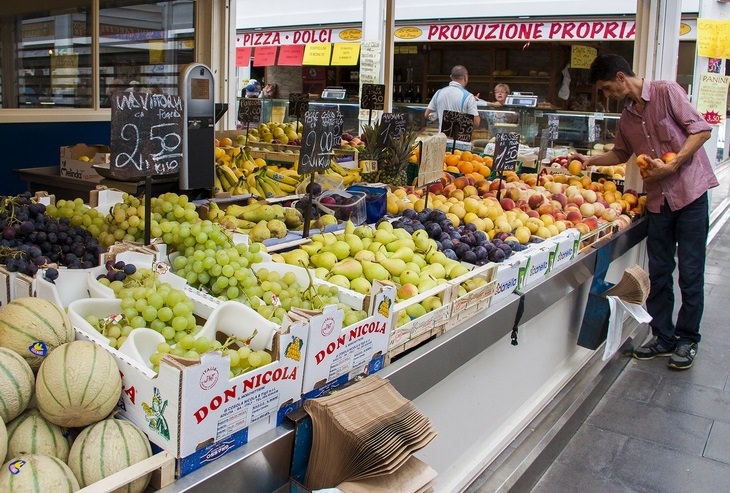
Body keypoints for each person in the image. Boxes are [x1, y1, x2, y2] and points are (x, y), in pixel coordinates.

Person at [572, 54, 718, 370]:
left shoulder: (666, 92)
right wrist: (588, 161)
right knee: (660, 271)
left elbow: (701, 130)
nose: (608, 95)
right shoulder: (626, 118)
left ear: (622, 77)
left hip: (690, 194)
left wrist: (675, 161)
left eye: (609, 88)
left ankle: (688, 339)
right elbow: (621, 153)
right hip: (658, 201)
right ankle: (663, 337)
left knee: (691, 273)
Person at [424, 65, 480, 131]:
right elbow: (476, 123)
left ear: (451, 77)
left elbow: (427, 115)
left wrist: (439, 114)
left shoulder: (438, 93)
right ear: (465, 77)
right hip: (461, 139)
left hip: (442, 139)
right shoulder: (468, 97)